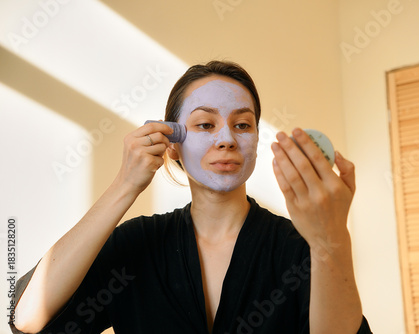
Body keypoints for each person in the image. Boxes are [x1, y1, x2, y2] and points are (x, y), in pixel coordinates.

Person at [10, 61, 372, 334]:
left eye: (243, 125)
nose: (227, 138)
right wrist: (124, 185)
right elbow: (27, 320)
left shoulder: (296, 249)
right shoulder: (137, 246)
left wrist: (331, 238)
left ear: (257, 143)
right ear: (173, 145)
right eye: (205, 124)